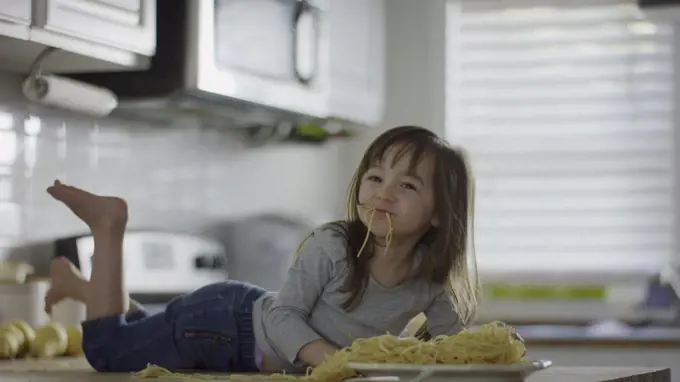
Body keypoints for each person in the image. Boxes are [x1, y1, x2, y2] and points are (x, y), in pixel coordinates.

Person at [44, 125, 480, 373]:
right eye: (375, 177)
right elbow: (281, 314)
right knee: (109, 351)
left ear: (439, 213)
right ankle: (107, 226)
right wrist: (331, 361)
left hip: (233, 331)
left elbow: (449, 347)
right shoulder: (332, 246)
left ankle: (81, 288)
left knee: (139, 331)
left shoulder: (430, 277)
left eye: (406, 185)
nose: (383, 193)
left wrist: (488, 350)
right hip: (226, 328)